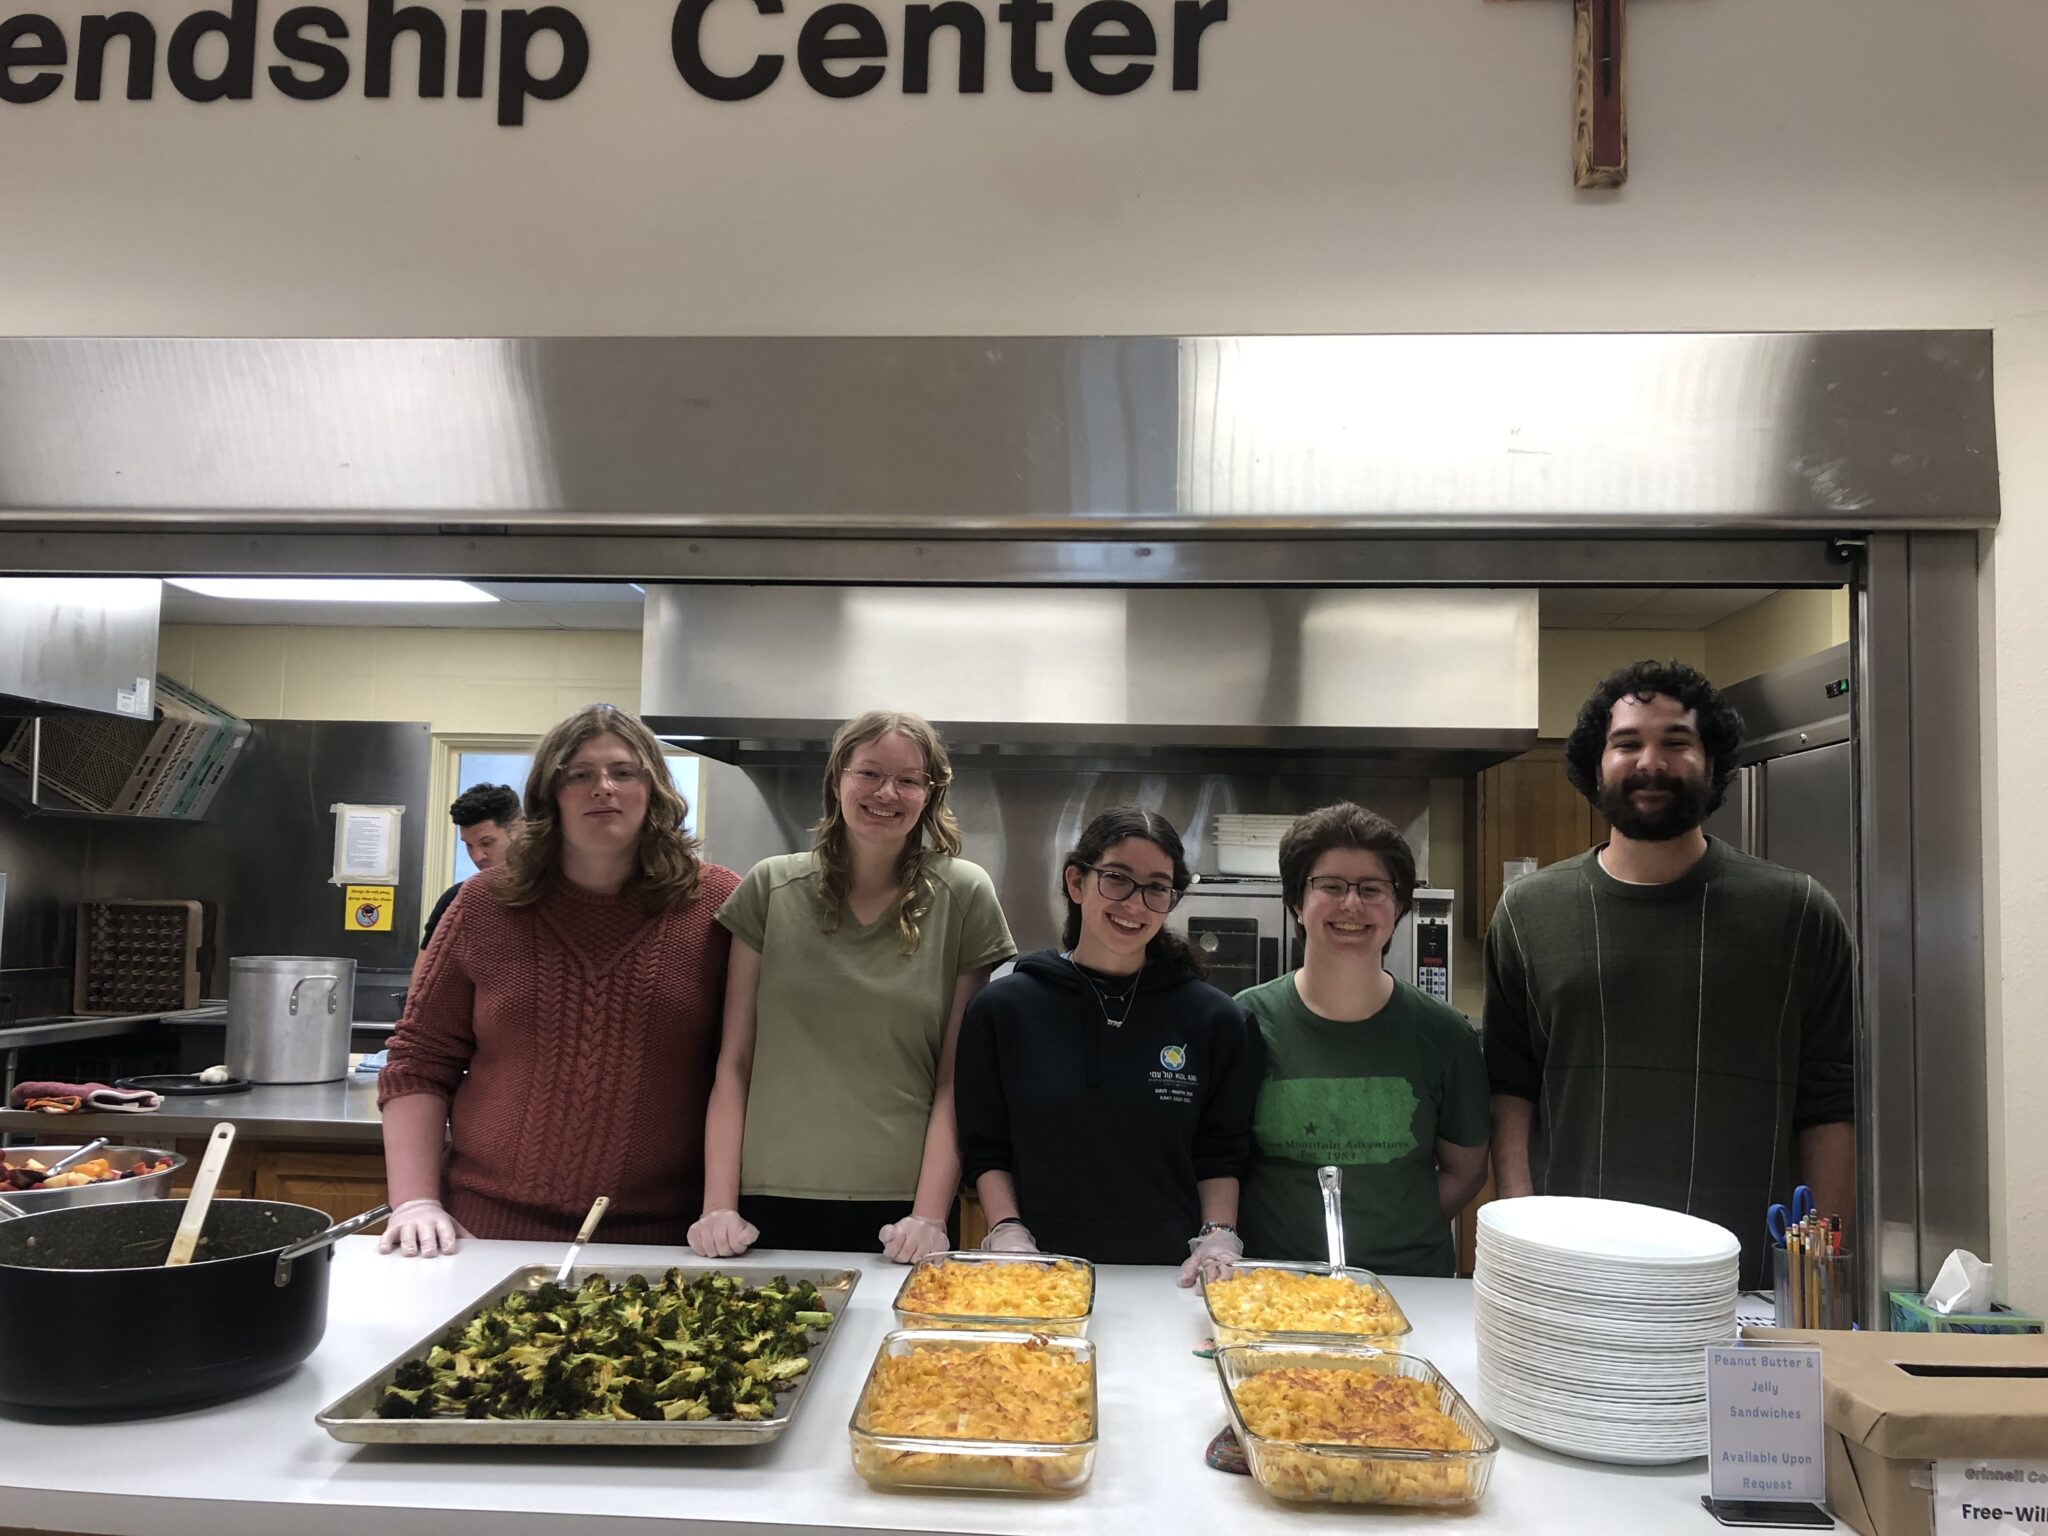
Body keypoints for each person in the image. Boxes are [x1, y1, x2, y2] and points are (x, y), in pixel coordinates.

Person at [1482, 660, 1855, 1289]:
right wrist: (1522, 1231)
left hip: (1749, 1279)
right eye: (1626, 743)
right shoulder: (1529, 912)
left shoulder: (1798, 912)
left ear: (1711, 762)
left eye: (1676, 742)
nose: (1649, 762)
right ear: (1594, 765)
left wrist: (1821, 1273)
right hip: (1573, 1271)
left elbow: (1831, 1102)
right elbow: (1510, 1089)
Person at [377, 704, 738, 1257]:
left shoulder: (716, 906)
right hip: (486, 1233)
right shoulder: (482, 905)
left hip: (668, 1242)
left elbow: (742, 1069)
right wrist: (414, 1202)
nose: (603, 788)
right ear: (550, 795)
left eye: (624, 772)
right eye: (579, 774)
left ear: (655, 790)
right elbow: (418, 1060)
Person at [689, 710, 1015, 1262]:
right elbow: (734, 1061)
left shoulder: (964, 894)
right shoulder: (771, 887)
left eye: (909, 780)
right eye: (869, 773)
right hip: (762, 1201)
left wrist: (930, 1215)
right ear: (837, 776)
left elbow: (955, 1079)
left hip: (901, 1212)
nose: (887, 792)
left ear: (929, 795)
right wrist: (717, 1205)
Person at [954, 806, 1264, 1286]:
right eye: (1117, 878)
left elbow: (1221, 1152)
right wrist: (1008, 1230)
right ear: (1076, 883)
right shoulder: (1003, 1010)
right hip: (1037, 1275)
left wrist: (1217, 1236)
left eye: (1157, 887)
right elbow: (986, 1149)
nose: (1135, 904)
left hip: (1175, 1280)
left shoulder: (1218, 1021)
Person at [1237, 803, 1491, 1276]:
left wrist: (1398, 1233)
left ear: (1399, 908)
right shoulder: (1244, 1022)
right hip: (1268, 1289)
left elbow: (1467, 1170)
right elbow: (1221, 1164)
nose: (1351, 904)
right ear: (1296, 901)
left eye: (1372, 889)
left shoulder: (1445, 1035)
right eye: (1330, 886)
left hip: (1410, 1288)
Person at [420, 782, 523, 949]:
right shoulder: (455, 900)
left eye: (487, 843)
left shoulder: (559, 893)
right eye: (469, 845)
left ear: (518, 829)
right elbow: (424, 974)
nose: (477, 857)